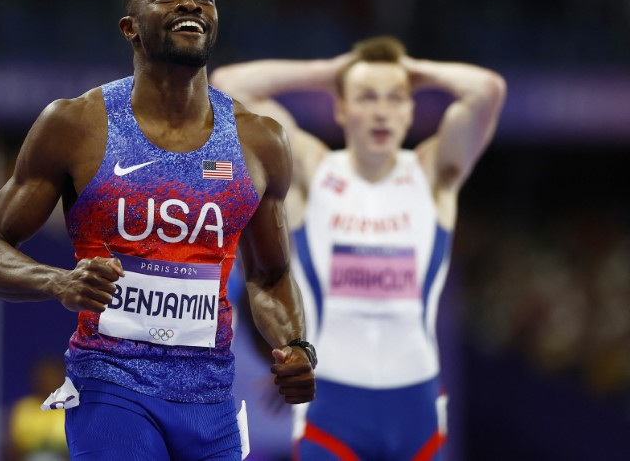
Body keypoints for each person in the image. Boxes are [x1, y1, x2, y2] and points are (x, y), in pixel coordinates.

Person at [0, 0, 317, 460]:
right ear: (130, 28)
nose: (191, 3)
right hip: (111, 386)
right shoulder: (75, 125)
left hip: (210, 398)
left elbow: (270, 274)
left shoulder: (259, 141)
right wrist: (58, 282)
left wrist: (296, 347)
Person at [210, 36, 506, 461]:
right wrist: (330, 70)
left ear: (410, 110)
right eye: (366, 97)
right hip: (332, 410)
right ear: (340, 108)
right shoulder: (312, 170)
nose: (381, 111)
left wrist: (412, 68)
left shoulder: (433, 173)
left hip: (416, 412)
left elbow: (488, 89)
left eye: (395, 98)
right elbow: (229, 84)